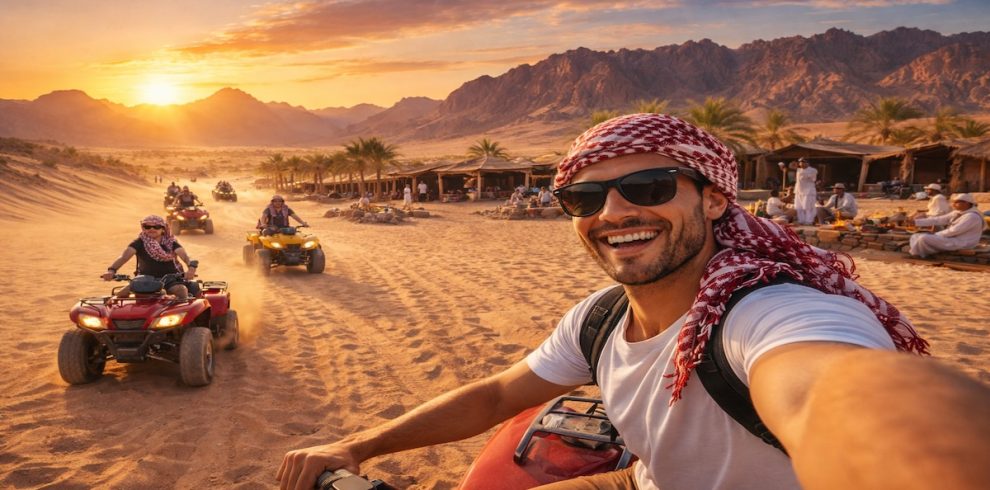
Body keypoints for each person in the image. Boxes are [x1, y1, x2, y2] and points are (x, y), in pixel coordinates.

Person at [278, 113, 990, 490]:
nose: (614, 211)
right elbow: (498, 392)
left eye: (647, 188)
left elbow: (832, 391)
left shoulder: (766, 311)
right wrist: (357, 444)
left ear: (715, 199)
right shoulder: (600, 317)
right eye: (585, 198)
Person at [101, 215, 200, 300]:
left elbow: (186, 257)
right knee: (119, 296)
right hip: (144, 280)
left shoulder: (171, 243)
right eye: (147, 226)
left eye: (156, 227)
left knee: (181, 290)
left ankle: (184, 320)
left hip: (170, 279)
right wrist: (111, 271)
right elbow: (123, 257)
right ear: (143, 228)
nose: (151, 229)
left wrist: (191, 269)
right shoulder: (139, 242)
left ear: (163, 229)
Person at [909, 193, 984, 258]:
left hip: (962, 242)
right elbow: (938, 220)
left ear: (967, 203)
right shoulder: (957, 212)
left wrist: (936, 235)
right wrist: (915, 222)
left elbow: (954, 231)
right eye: (953, 202)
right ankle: (920, 253)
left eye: (957, 202)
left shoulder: (972, 216)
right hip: (951, 239)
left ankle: (919, 254)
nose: (953, 204)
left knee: (924, 238)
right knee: (915, 236)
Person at [793, 158, 817, 225]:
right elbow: (790, 167)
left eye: (803, 162)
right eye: (800, 162)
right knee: (799, 207)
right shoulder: (798, 170)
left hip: (808, 191)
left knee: (808, 207)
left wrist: (804, 173)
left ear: (807, 163)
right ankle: (801, 220)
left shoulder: (813, 170)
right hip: (798, 191)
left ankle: (809, 221)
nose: (802, 164)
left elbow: (813, 179)